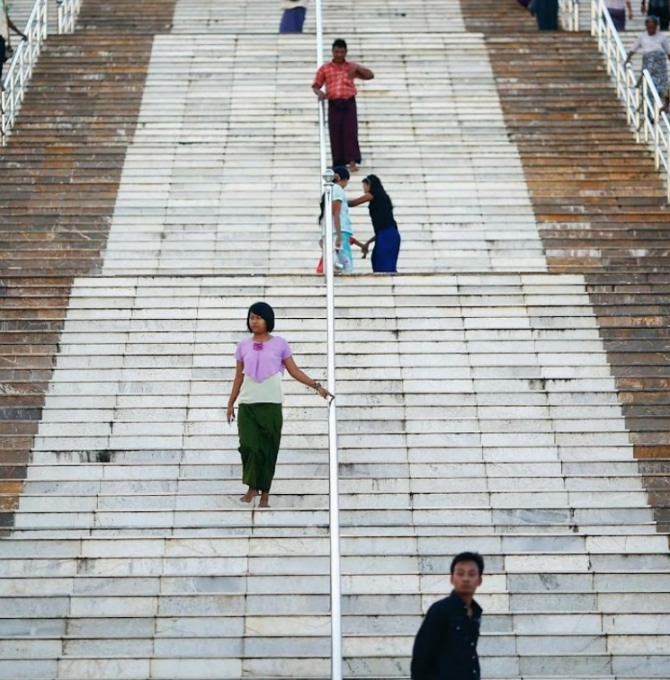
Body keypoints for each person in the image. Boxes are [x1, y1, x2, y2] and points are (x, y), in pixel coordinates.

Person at [226, 302, 333, 509]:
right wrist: (230, 404)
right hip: (247, 404)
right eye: (251, 317)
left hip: (271, 404)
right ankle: (251, 486)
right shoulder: (242, 345)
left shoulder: (280, 344)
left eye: (258, 317)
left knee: (268, 448)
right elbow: (238, 378)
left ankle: (264, 491)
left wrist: (317, 386)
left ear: (268, 320)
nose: (254, 321)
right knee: (249, 446)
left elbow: (294, 371)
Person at [411, 552, 485, 680]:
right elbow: (421, 655)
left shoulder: (475, 612)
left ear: (479, 580)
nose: (466, 579)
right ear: (452, 578)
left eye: (471, 574)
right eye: (460, 574)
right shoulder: (440, 610)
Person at [312, 39, 374, 173]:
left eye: (341, 52)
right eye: (336, 52)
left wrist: (358, 68)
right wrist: (320, 92)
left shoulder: (351, 67)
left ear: (346, 52)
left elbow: (370, 75)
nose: (339, 55)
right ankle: (338, 163)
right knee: (335, 133)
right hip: (334, 103)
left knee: (350, 131)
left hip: (349, 102)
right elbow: (316, 84)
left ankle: (352, 162)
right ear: (332, 52)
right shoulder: (325, 68)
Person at [348, 174, 401, 273]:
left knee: (384, 263)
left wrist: (338, 200)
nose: (364, 188)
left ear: (369, 185)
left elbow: (354, 203)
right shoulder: (382, 196)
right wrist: (368, 242)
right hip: (386, 234)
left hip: (387, 235)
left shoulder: (375, 193)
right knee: (377, 259)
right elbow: (382, 230)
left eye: (365, 185)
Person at [625, 16, 670, 111]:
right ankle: (650, 113)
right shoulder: (642, 37)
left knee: (662, 89)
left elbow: (668, 52)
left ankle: (664, 107)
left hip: (660, 69)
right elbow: (633, 49)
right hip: (648, 67)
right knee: (649, 89)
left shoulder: (661, 37)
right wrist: (627, 59)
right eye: (649, 28)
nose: (651, 30)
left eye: (653, 28)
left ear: (656, 27)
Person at [0, 0, 27, 83]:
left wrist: (19, 33)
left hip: (2, 38)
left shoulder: (2, 4)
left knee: (2, 58)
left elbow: (8, 21)